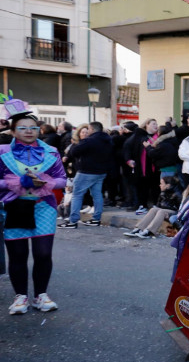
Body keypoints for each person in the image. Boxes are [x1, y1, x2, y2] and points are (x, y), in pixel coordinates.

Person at [0, 96, 67, 314]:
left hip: (43, 207)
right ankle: (21, 297)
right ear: (13, 131)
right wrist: (17, 182)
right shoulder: (2, 152)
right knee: (18, 254)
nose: (29, 131)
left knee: (43, 254)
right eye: (23, 128)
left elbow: (62, 178)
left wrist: (46, 182)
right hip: (15, 207)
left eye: (33, 128)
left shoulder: (51, 152)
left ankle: (41, 296)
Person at [58, 122, 114, 229]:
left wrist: (78, 144)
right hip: (101, 172)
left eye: (88, 129)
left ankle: (72, 221)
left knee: (77, 194)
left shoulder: (89, 140)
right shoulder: (108, 140)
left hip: (86, 171)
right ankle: (96, 219)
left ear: (91, 129)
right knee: (97, 194)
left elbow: (74, 151)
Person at [124, 118, 160, 216]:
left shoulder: (159, 136)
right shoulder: (138, 135)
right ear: (147, 125)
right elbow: (127, 147)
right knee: (143, 187)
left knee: (155, 187)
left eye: (156, 124)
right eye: (153, 124)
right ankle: (142, 205)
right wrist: (129, 160)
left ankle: (155, 205)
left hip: (155, 166)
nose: (156, 125)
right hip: (142, 166)